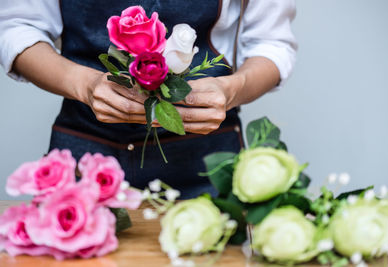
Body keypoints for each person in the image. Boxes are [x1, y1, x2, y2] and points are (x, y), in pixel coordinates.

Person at [0, 0, 297, 198]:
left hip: (208, 162)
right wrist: (84, 84)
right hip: (84, 152)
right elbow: (17, 27)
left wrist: (234, 88)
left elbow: (271, 44)